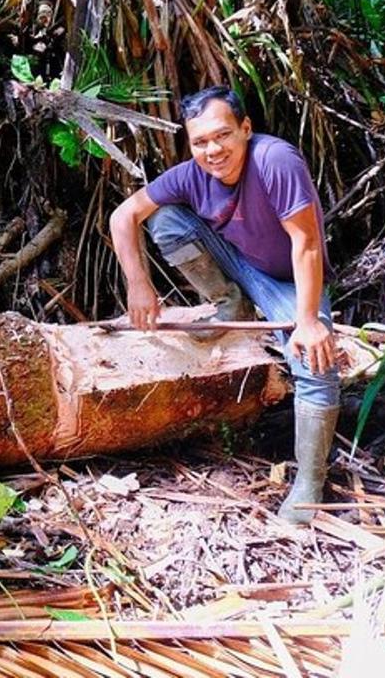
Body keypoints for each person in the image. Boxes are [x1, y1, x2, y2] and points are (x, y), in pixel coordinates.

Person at [108, 85, 339, 524]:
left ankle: (309, 485)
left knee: (315, 362)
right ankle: (229, 303)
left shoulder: (275, 159)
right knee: (165, 217)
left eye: (222, 136)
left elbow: (306, 243)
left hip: (286, 280)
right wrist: (138, 283)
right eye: (200, 141)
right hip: (238, 264)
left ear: (245, 129)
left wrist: (307, 320)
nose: (212, 150)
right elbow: (124, 216)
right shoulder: (190, 175)